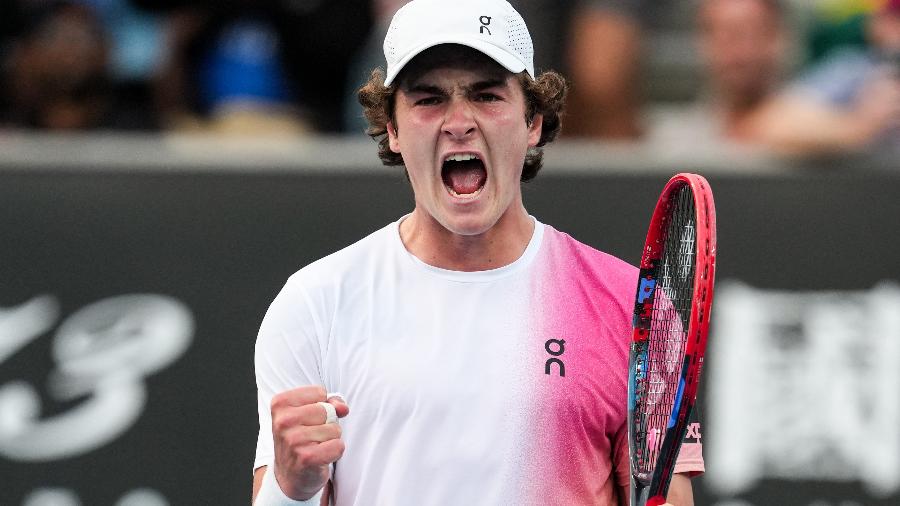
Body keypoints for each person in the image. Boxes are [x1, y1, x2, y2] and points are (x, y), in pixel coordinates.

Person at [251, 0, 704, 505]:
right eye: (428, 99)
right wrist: (291, 488)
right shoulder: (316, 303)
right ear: (393, 129)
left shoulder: (631, 306)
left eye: (486, 96)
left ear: (533, 120)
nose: (459, 121)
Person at [648, 0, 789, 146]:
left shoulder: (807, 115)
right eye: (724, 35)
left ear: (776, 38)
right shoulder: (675, 139)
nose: (738, 51)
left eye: (748, 34)